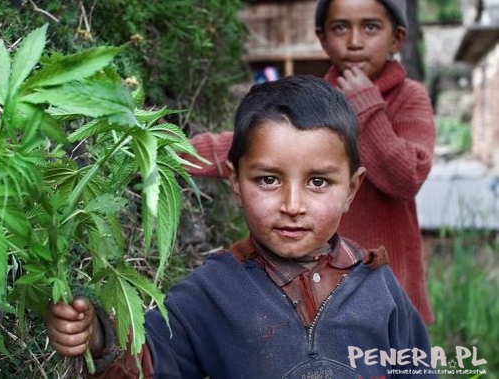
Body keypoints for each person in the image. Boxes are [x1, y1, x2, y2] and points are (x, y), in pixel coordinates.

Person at [46, 75, 437, 379]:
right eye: (268, 180)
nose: (292, 205)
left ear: (351, 189)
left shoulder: (378, 286)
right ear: (235, 182)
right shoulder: (210, 293)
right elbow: (150, 362)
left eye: (319, 181)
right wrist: (97, 337)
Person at [183, 0, 436, 324]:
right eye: (340, 27)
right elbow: (249, 147)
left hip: (391, 289)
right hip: (321, 287)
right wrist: (171, 152)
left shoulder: (409, 97)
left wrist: (366, 104)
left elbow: (406, 178)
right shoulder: (315, 100)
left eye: (370, 27)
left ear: (397, 38)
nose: (354, 41)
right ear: (322, 37)